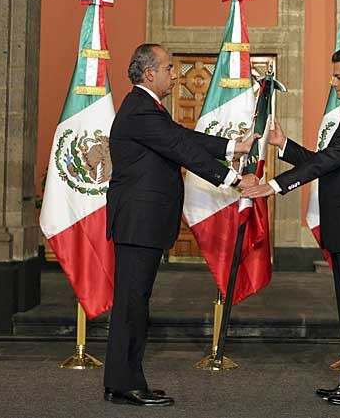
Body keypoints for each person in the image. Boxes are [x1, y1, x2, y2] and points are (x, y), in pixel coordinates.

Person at [104, 43, 258, 407]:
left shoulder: (147, 108)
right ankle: (126, 384)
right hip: (138, 223)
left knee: (134, 303)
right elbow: (180, 147)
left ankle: (122, 380)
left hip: (142, 223)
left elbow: (182, 137)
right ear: (149, 74)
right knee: (132, 304)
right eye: (170, 68)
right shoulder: (141, 110)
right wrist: (235, 180)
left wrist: (233, 145)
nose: (175, 75)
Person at [242, 47, 340, 406]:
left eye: (339, 76)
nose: (333, 82)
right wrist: (285, 146)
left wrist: (276, 186)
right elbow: (330, 163)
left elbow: (330, 159)